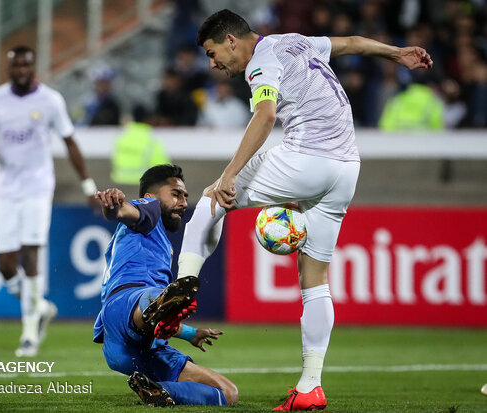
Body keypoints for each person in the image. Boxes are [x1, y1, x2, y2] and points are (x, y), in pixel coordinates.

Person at [176, 9, 432, 411]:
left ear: (231, 40)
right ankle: (310, 385)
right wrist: (396, 53)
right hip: (346, 168)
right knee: (315, 281)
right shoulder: (294, 40)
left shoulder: (260, 64)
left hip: (307, 157)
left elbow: (266, 115)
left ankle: (182, 290)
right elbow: (352, 44)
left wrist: (229, 174)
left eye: (212, 53)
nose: (213, 64)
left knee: (212, 198)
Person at [0, 45, 97, 358]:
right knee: (4, 264)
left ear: (33, 67)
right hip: (6, 188)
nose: (20, 70)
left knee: (31, 254)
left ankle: (30, 333)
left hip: (37, 186)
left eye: (25, 65)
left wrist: (88, 185)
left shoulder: (50, 100)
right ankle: (41, 306)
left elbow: (70, 141)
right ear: (9, 69)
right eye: (15, 66)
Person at [92, 164, 238, 407]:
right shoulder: (149, 210)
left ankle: (159, 391)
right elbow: (123, 211)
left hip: (132, 352)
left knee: (227, 393)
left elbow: (158, 314)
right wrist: (113, 206)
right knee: (157, 295)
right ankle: (158, 306)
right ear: (150, 196)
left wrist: (192, 333)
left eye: (185, 196)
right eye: (175, 194)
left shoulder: (158, 239)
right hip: (126, 305)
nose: (183, 202)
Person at [111, 104, 170, 185]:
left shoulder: (122, 137)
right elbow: (163, 168)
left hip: (119, 180)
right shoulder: (151, 140)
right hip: (141, 183)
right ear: (148, 119)